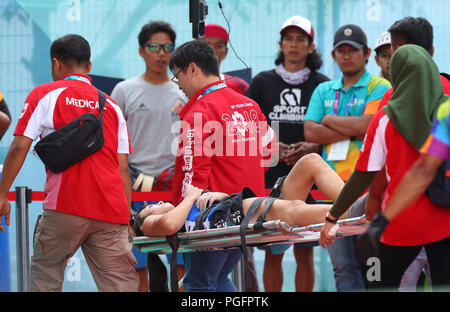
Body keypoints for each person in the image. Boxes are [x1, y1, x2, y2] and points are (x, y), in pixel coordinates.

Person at [0, 34, 139, 291]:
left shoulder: (45, 94)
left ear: (56, 64)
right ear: (89, 66)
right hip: (111, 211)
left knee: (46, 279)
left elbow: (20, 146)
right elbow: (122, 169)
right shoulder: (111, 106)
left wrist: (0, 195)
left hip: (66, 206)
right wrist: (126, 217)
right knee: (121, 286)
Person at [134, 153, 365, 292]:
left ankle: (355, 200)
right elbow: (169, 226)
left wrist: (219, 195)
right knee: (295, 210)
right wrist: (192, 196)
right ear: (145, 219)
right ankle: (360, 209)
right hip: (247, 215)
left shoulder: (185, 210)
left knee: (310, 162)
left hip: (245, 208)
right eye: (153, 206)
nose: (161, 201)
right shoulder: (150, 224)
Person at [320, 45, 450, 290]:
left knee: (377, 281)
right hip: (445, 221)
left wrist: (332, 216)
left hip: (399, 223)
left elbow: (363, 176)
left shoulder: (385, 118)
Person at [168, 39, 276, 291]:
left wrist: (180, 215)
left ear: (193, 69)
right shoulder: (250, 105)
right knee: (217, 280)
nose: (179, 86)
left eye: (177, 76)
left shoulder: (198, 110)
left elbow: (192, 175)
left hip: (212, 219)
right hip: (248, 213)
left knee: (199, 284)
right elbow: (269, 153)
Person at [363, 17, 450, 291]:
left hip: (402, 218)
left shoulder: (391, 99)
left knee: (379, 282)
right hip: (442, 217)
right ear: (433, 52)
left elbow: (381, 161)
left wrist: (374, 200)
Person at [304, 24, 391, 291]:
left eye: (352, 51)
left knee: (374, 266)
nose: (346, 56)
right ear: (332, 55)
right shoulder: (324, 90)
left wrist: (328, 120)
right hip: (331, 193)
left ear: (366, 54)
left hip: (368, 190)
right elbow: (310, 131)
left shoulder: (379, 86)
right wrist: (349, 127)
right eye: (341, 51)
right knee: (342, 267)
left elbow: (367, 126)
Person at [246, 15, 328, 292]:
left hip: (311, 177)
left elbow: (329, 131)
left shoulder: (323, 84)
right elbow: (249, 128)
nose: (293, 45)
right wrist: (272, 147)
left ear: (310, 47)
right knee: (274, 249)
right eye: (288, 38)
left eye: (300, 39)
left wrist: (313, 147)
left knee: (305, 250)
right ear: (280, 45)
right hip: (272, 177)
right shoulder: (261, 82)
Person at [111, 20, 187, 292]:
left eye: (168, 47)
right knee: (137, 262)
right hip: (135, 187)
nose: (162, 53)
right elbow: (111, 142)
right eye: (154, 46)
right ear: (142, 51)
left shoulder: (183, 89)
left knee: (181, 260)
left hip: (175, 187)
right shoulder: (124, 90)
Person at [202, 23, 258, 292]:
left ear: (226, 50)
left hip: (236, 196)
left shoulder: (239, 87)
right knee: (204, 275)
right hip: (207, 193)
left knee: (208, 277)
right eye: (208, 45)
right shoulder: (187, 89)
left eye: (219, 45)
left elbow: (259, 139)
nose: (214, 50)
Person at [202, 23, 249, 95]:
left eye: (218, 46)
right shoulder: (185, 86)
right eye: (206, 45)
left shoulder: (238, 86)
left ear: (225, 52)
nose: (212, 50)